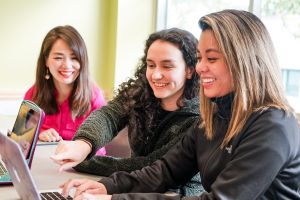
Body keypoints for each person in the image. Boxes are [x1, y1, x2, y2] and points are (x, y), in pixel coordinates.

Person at [60, 9, 300, 200]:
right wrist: (105, 187)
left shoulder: (273, 125)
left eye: (212, 58)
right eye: (199, 58)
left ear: (245, 62)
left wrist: (115, 198)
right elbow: (165, 171)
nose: (200, 67)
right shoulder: (214, 116)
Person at [51, 28, 204, 196]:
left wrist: (85, 162)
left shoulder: (199, 117)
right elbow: (108, 116)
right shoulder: (140, 93)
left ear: (190, 70)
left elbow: (152, 167)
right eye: (151, 65)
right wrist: (83, 144)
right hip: (132, 189)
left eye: (167, 66)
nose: (156, 74)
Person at [24, 25, 106, 156]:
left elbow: (100, 150)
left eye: (74, 57)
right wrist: (38, 136)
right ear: (46, 61)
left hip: (82, 171)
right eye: (58, 58)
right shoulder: (33, 94)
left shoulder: (95, 98)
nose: (67, 65)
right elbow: (20, 140)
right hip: (43, 168)